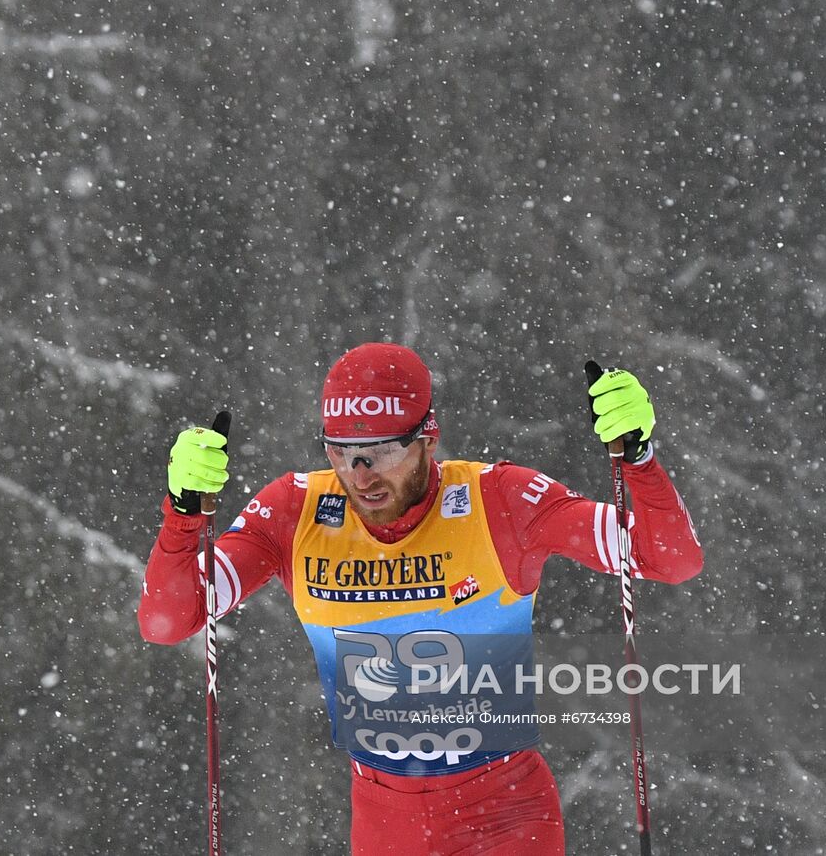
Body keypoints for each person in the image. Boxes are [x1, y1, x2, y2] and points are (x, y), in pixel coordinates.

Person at [138, 343, 703, 855]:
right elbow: (168, 619)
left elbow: (672, 559)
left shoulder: (498, 500)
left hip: (503, 811)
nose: (361, 475)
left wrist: (640, 459)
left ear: (428, 437)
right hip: (384, 819)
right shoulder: (297, 510)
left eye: (382, 450)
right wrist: (184, 514)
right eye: (343, 452)